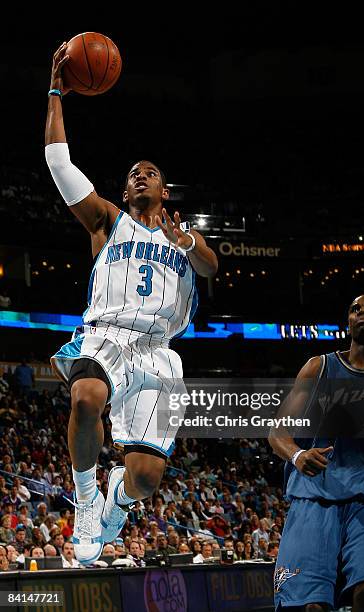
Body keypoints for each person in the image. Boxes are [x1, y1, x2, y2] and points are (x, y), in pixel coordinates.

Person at [45, 43, 218, 566]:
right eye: (132, 173)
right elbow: (58, 160)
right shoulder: (107, 221)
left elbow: (211, 267)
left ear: (165, 190)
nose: (138, 176)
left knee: (145, 479)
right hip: (108, 335)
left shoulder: (185, 238)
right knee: (85, 397)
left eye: (149, 172)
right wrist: (56, 88)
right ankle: (86, 501)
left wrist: (187, 242)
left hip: (160, 354)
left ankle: (117, 500)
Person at [269, 294, 364, 611]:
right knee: (312, 605)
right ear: (348, 323)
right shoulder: (319, 367)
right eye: (354, 309)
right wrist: (298, 456)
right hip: (316, 492)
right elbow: (277, 433)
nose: (361, 311)